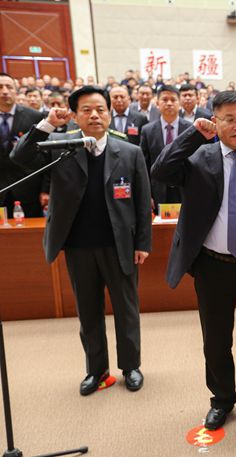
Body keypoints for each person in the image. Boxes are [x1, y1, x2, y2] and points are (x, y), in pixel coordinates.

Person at [151, 91, 236, 430]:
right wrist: (194, 134)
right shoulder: (199, 156)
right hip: (213, 265)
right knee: (216, 339)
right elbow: (161, 171)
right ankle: (222, 399)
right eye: (229, 119)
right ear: (215, 121)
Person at [11, 86, 151, 396]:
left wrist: (143, 243)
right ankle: (96, 370)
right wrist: (48, 124)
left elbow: (143, 202)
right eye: (86, 110)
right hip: (78, 246)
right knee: (88, 312)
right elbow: (20, 156)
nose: (95, 115)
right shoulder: (61, 146)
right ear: (74, 116)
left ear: (109, 114)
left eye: (100, 109)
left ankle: (131, 366)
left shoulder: (129, 151)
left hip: (119, 245)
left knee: (127, 310)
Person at [139, 85, 192, 211]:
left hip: (184, 188)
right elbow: (144, 165)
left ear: (180, 104)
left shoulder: (190, 128)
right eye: (164, 99)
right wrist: (147, 194)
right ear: (157, 103)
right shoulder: (147, 130)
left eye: (173, 100)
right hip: (157, 191)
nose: (169, 103)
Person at [0, 72, 45, 217]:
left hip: (28, 190)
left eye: (9, 87)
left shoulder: (34, 117)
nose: (5, 91)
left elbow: (45, 155)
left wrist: (46, 189)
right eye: (0, 87)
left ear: (16, 90)